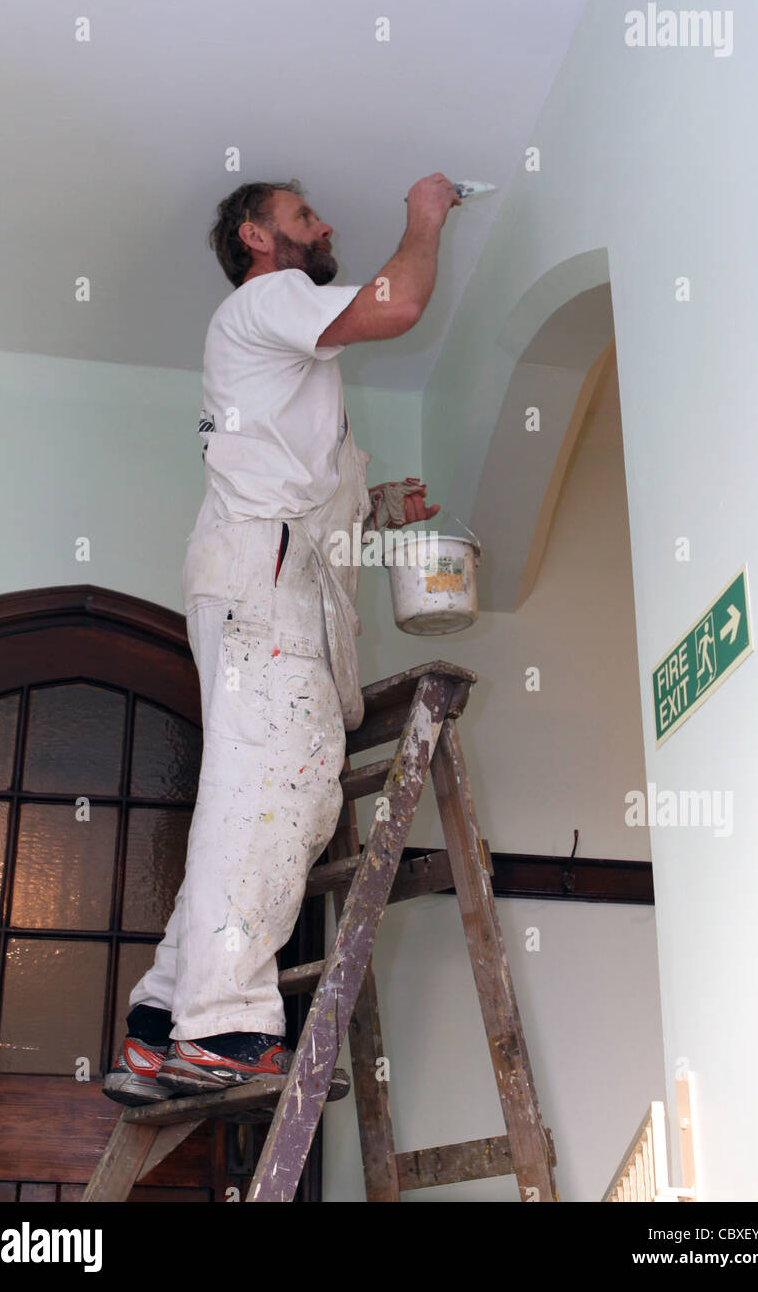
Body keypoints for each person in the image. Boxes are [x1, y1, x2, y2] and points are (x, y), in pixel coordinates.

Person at [104, 173, 460, 1104]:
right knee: (274, 789)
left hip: (262, 577)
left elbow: (301, 503)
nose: (326, 223)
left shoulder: (275, 358)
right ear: (258, 239)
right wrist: (423, 212)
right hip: (264, 590)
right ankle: (223, 1026)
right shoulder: (271, 300)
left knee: (248, 791)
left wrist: (375, 509)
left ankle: (161, 1019)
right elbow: (404, 302)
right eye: (306, 216)